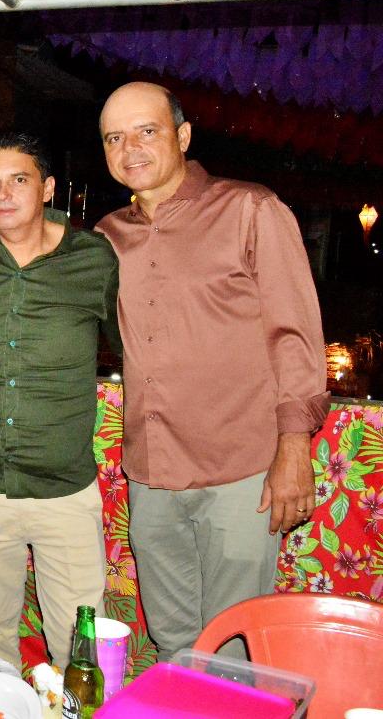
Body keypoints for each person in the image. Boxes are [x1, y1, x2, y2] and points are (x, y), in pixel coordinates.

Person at [95, 81, 328, 659]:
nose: (130, 148)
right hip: (152, 471)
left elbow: (295, 335)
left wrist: (294, 448)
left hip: (241, 471)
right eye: (114, 138)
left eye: (146, 131)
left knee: (234, 644)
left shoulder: (250, 209)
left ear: (182, 136)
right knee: (173, 639)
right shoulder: (107, 237)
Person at [0, 134, 118, 666]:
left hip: (64, 491)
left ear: (48, 188)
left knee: (80, 651)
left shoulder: (93, 258)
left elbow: (137, 347)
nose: (3, 194)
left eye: (18, 180)